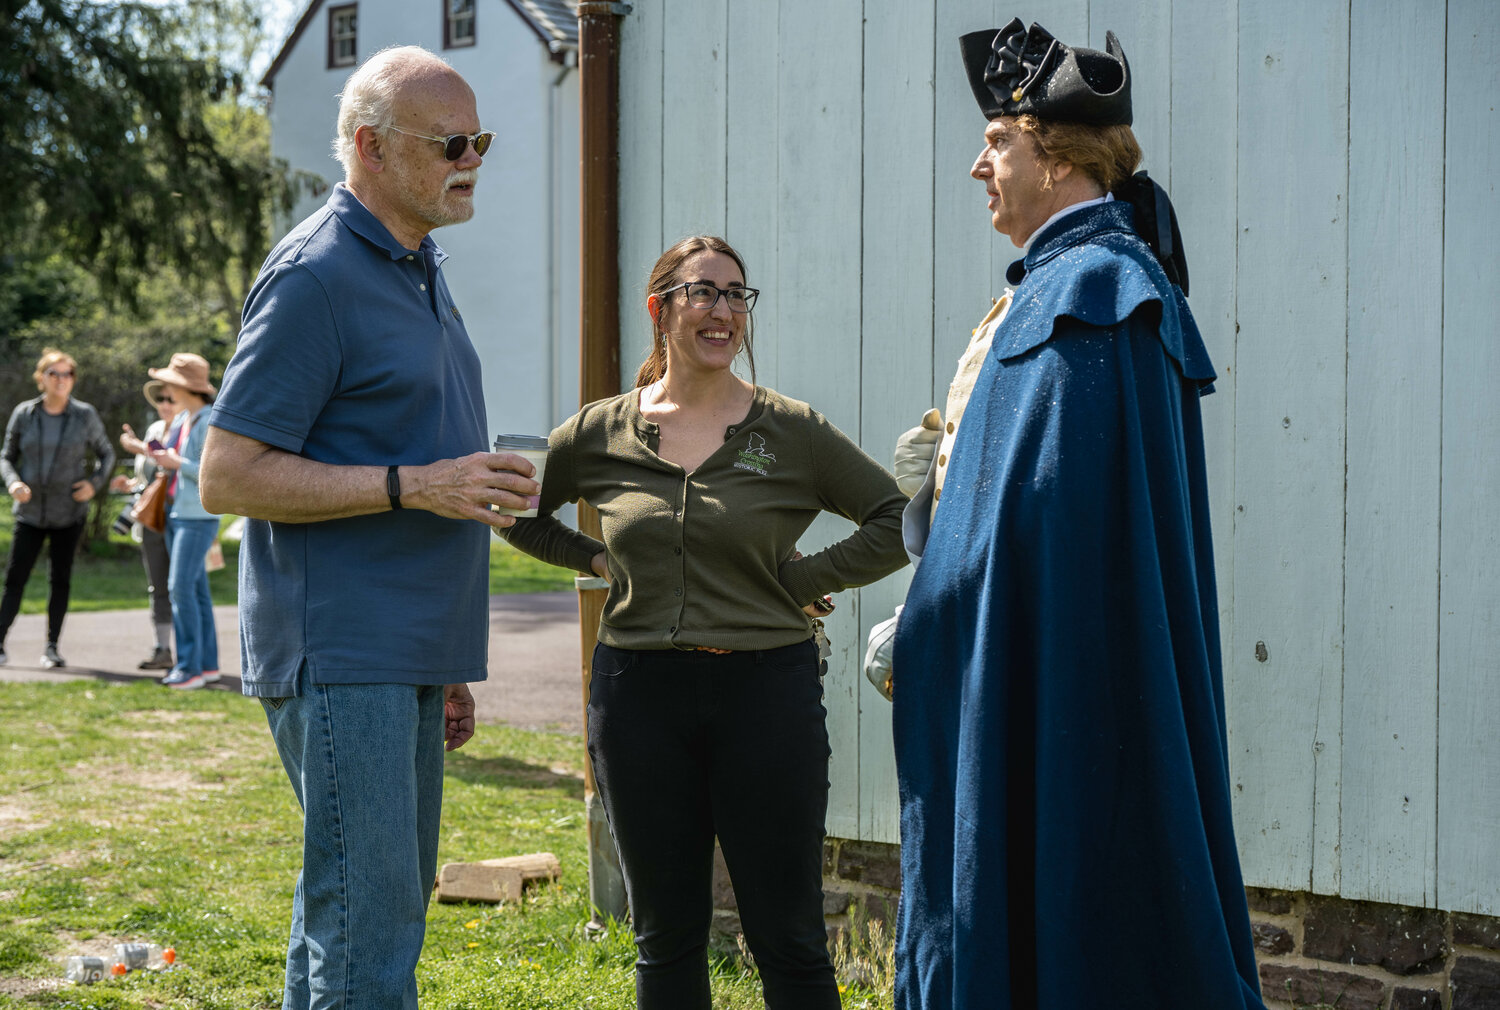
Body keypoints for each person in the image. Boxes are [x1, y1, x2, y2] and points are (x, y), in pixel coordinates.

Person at [891, 20, 1266, 1010]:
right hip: (1016, 661)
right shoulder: (1061, 287)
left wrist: (932, 615)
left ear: (1054, 157)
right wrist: (932, 512)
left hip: (1064, 689)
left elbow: (1054, 529)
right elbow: (1017, 506)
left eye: (998, 141)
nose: (979, 164)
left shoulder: (1095, 292)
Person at [197, 46, 533, 1010]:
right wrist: (416, 483)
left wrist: (447, 663)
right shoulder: (317, 275)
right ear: (370, 148)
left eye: (483, 139)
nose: (473, 158)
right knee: (370, 929)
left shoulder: (419, 263)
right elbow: (228, 473)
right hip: (344, 648)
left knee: (359, 913)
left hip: (407, 651)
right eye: (452, 143)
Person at [502, 235, 910, 1010]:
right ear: (660, 310)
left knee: (787, 935)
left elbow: (896, 518)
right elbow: (512, 507)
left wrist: (805, 579)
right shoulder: (602, 428)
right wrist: (592, 559)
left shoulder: (791, 430)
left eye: (736, 295)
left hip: (767, 695)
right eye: (703, 293)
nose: (723, 311)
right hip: (638, 696)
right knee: (666, 936)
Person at [0, 348, 114, 669]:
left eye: (67, 374)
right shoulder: (25, 414)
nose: (61, 380)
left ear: (73, 379)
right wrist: (12, 483)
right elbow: (6, 457)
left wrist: (93, 484)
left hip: (69, 513)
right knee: (15, 579)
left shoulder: (84, 415)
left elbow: (107, 454)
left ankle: (51, 648)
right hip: (30, 512)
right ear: (41, 378)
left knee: (60, 580)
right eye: (54, 374)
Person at [143, 354, 220, 690]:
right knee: (197, 592)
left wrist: (177, 462)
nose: (165, 389)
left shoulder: (207, 421)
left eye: (170, 382)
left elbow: (212, 472)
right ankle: (207, 666)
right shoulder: (187, 418)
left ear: (183, 386)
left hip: (197, 517)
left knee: (180, 589)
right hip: (180, 514)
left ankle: (188, 668)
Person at [110, 379, 181, 670]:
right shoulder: (154, 429)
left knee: (184, 587)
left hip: (179, 519)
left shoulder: (187, 427)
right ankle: (162, 648)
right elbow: (149, 479)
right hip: (152, 521)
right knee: (158, 586)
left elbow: (172, 463)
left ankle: (191, 655)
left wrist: (137, 447)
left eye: (170, 399)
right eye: (160, 399)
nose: (164, 404)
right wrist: (131, 485)